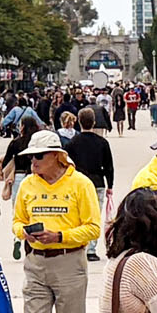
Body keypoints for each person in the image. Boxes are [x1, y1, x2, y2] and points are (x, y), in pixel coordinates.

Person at [12, 130, 102, 313]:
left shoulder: (80, 184)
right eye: (30, 157)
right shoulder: (28, 185)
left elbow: (93, 228)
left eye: (39, 156)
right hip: (36, 263)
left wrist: (60, 235)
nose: (33, 162)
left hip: (69, 263)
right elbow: (17, 220)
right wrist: (23, 232)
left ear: (57, 156)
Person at [65, 107, 115, 261]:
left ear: (79, 122)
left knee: (77, 215)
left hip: (77, 184)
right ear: (94, 122)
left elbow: (66, 165)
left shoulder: (72, 143)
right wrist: (110, 185)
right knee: (94, 216)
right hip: (97, 182)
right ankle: (91, 249)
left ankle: (79, 244)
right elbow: (109, 166)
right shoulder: (102, 143)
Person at [0, 114, 43, 201]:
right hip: (37, 175)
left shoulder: (15, 143)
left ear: (22, 127)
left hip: (19, 176)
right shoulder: (38, 143)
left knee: (18, 204)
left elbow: (6, 162)